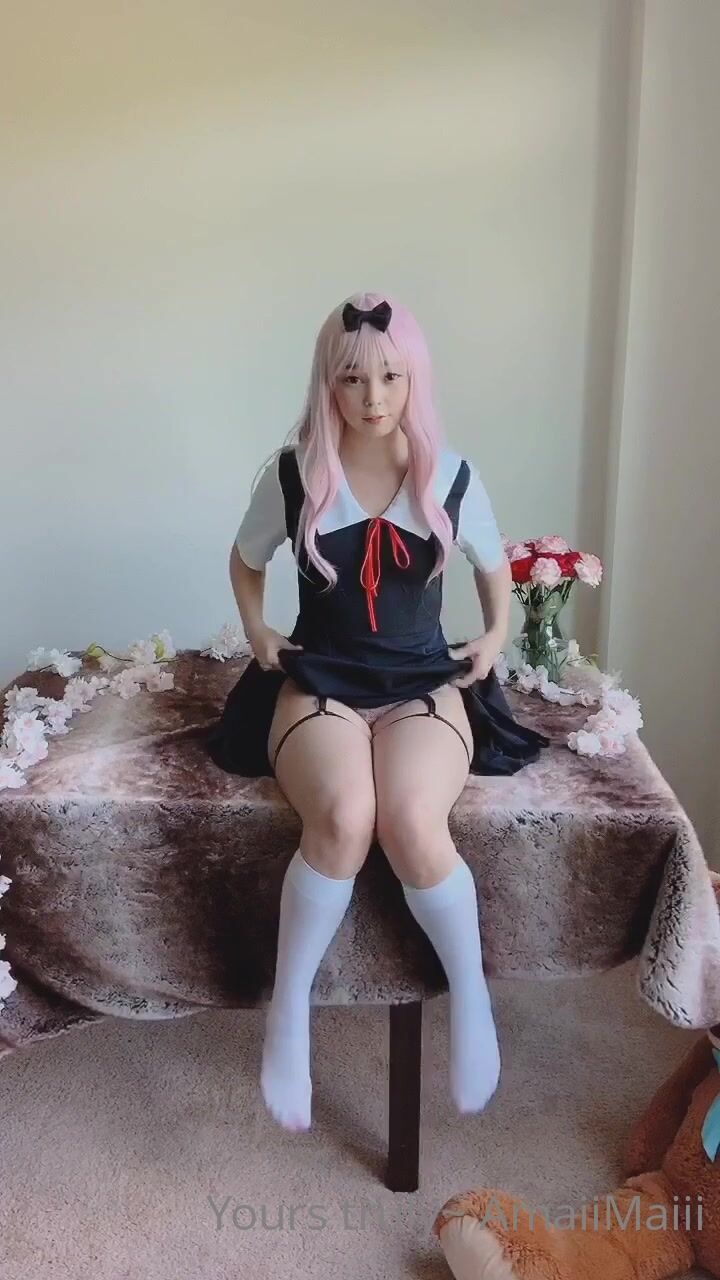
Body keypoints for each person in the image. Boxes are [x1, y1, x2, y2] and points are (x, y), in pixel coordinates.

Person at [206, 292, 550, 1133]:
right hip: (319, 679)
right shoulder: (293, 473)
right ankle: (289, 1012)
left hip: (422, 683)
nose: (373, 396)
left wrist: (495, 635)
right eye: (353, 378)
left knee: (412, 819)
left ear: (414, 377)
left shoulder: (452, 475)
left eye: (391, 376)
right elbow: (245, 560)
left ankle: (471, 999)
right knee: (343, 815)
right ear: (328, 382)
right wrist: (258, 630)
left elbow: (493, 567)